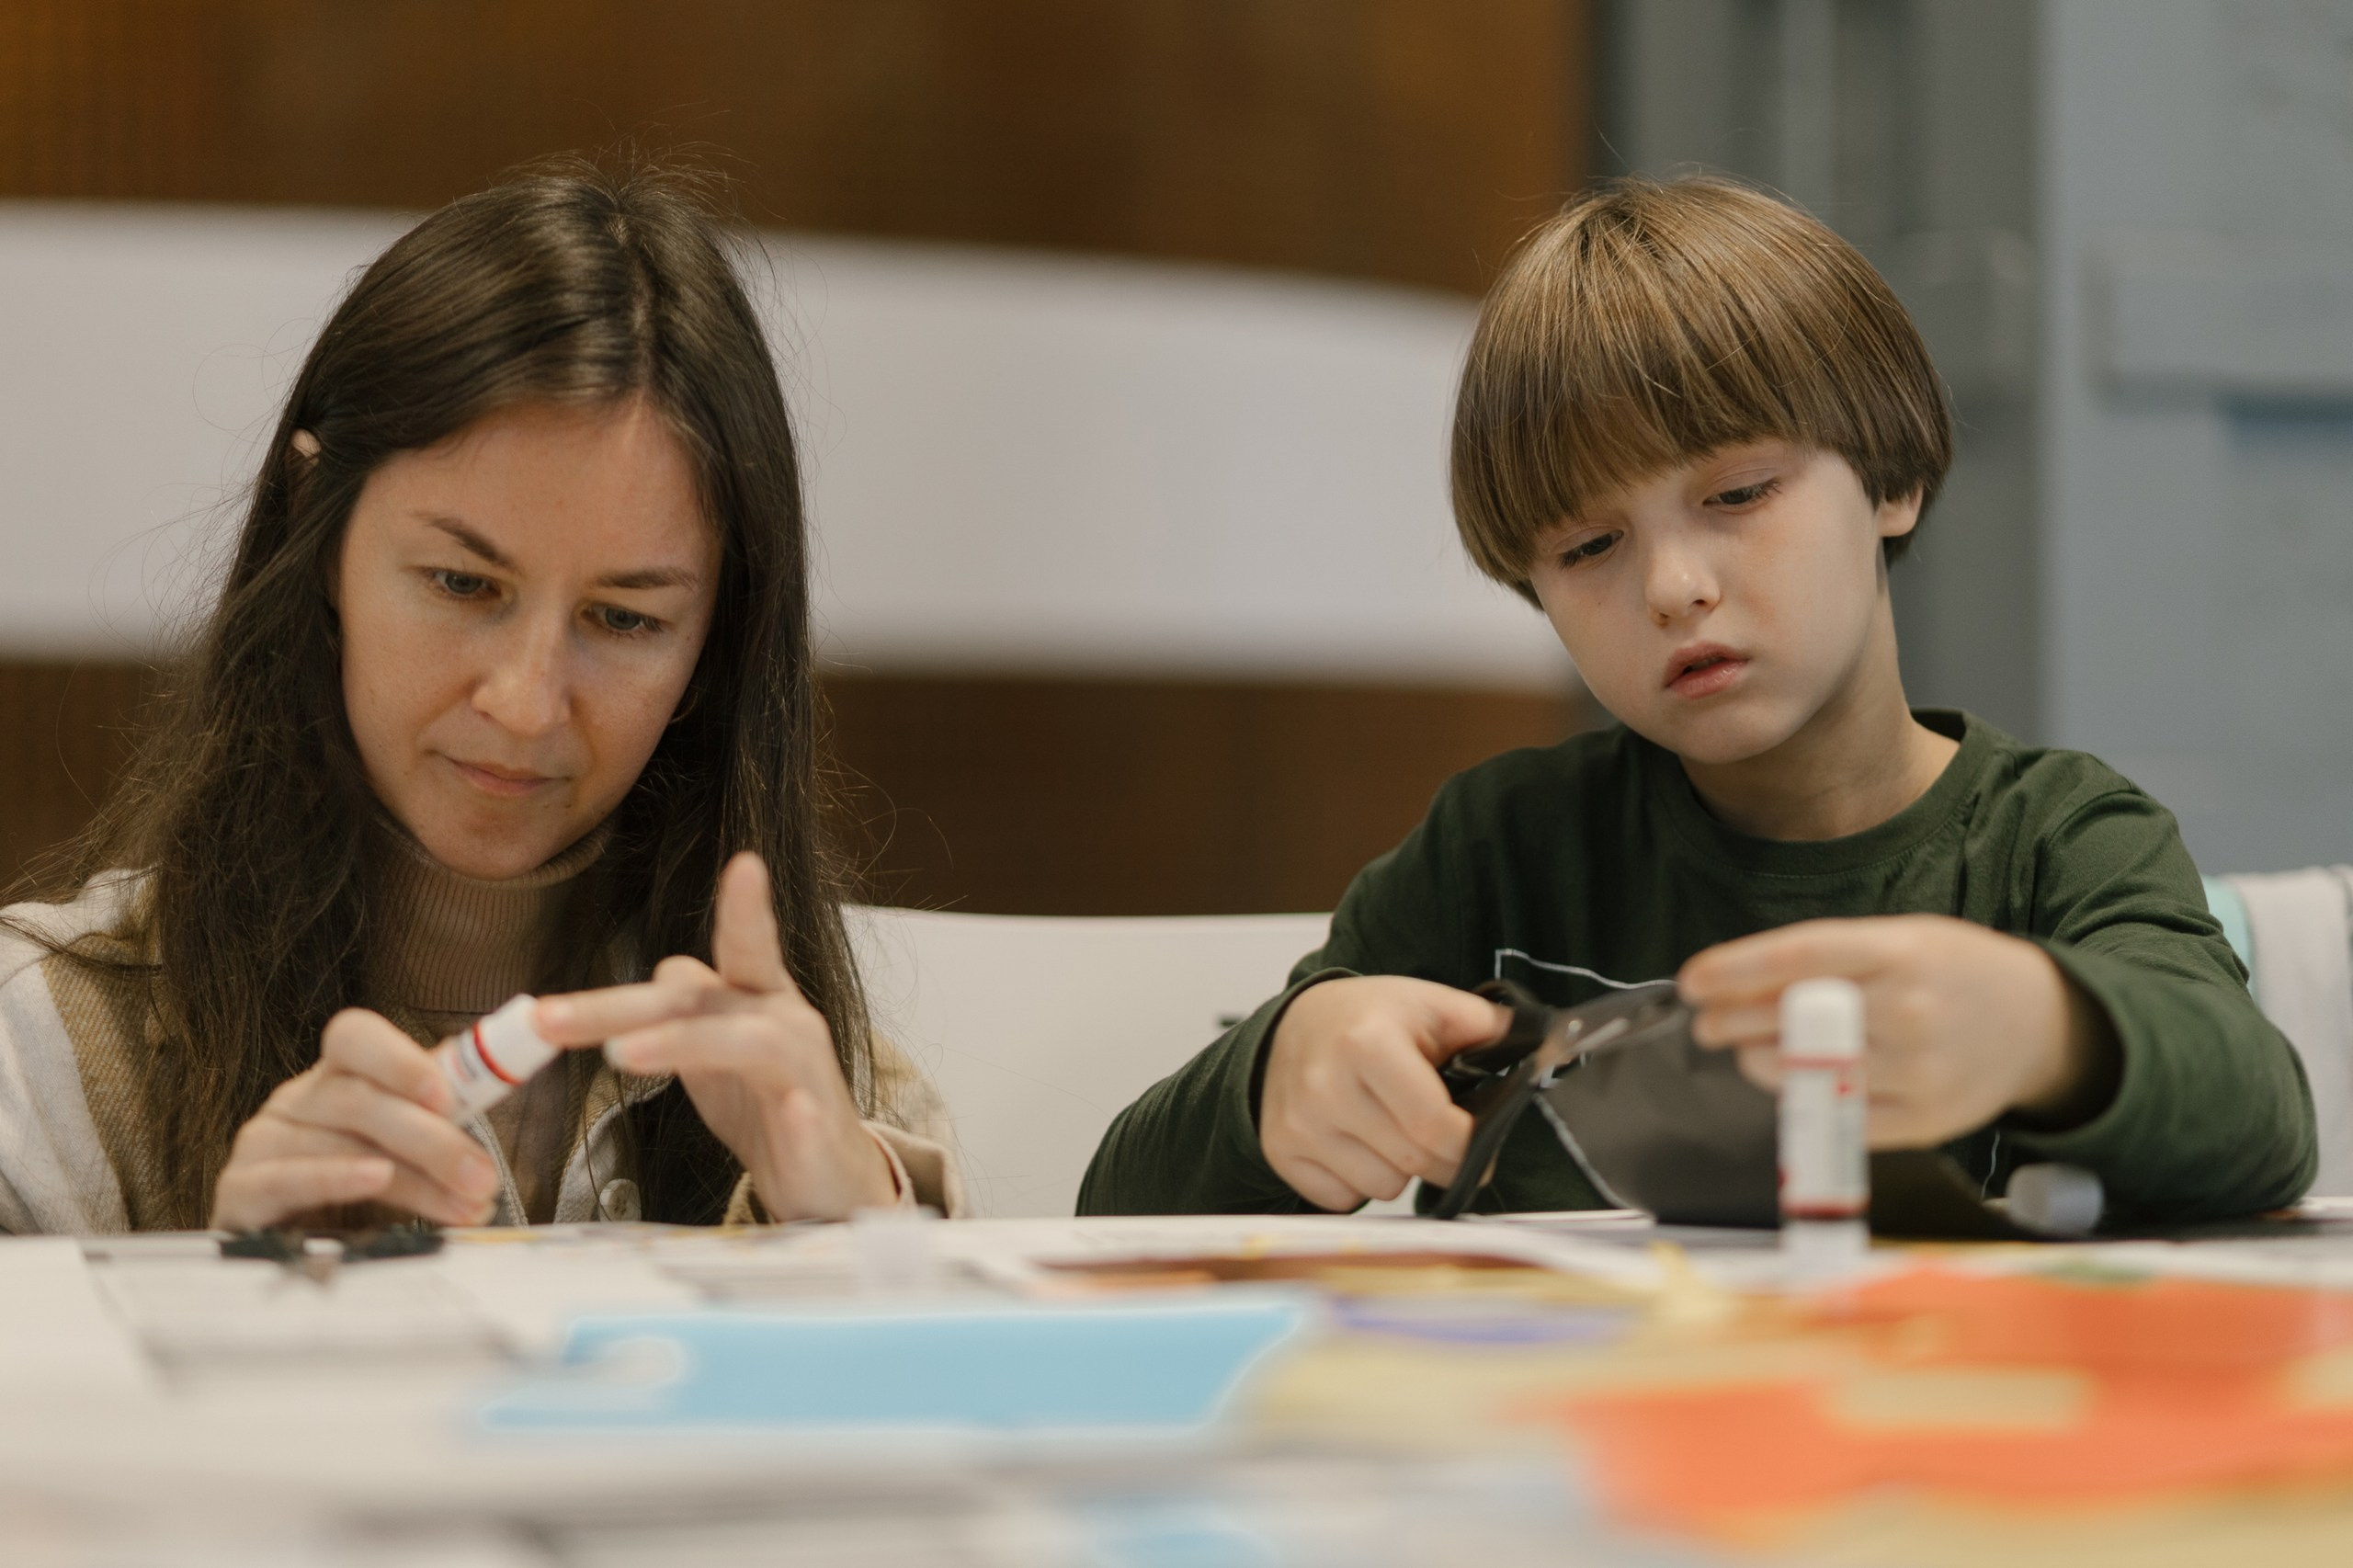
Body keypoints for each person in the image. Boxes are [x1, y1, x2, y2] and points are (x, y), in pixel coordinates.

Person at [1080, 176, 2314, 1224]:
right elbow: (1114, 1209)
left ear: (1889, 478)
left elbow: (2261, 1123)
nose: (1673, 587)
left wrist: (2051, 1032)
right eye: (1588, 547)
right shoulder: (1500, 850)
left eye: (1737, 495)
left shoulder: (2060, 836)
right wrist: (1280, 1076)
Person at [0, 161, 959, 1233]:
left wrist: (854, 1239)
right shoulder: (40, 1060)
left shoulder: (821, 1090)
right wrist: (219, 1301)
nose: (526, 703)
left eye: (624, 618)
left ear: (717, 638)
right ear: (318, 525)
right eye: (463, 584)